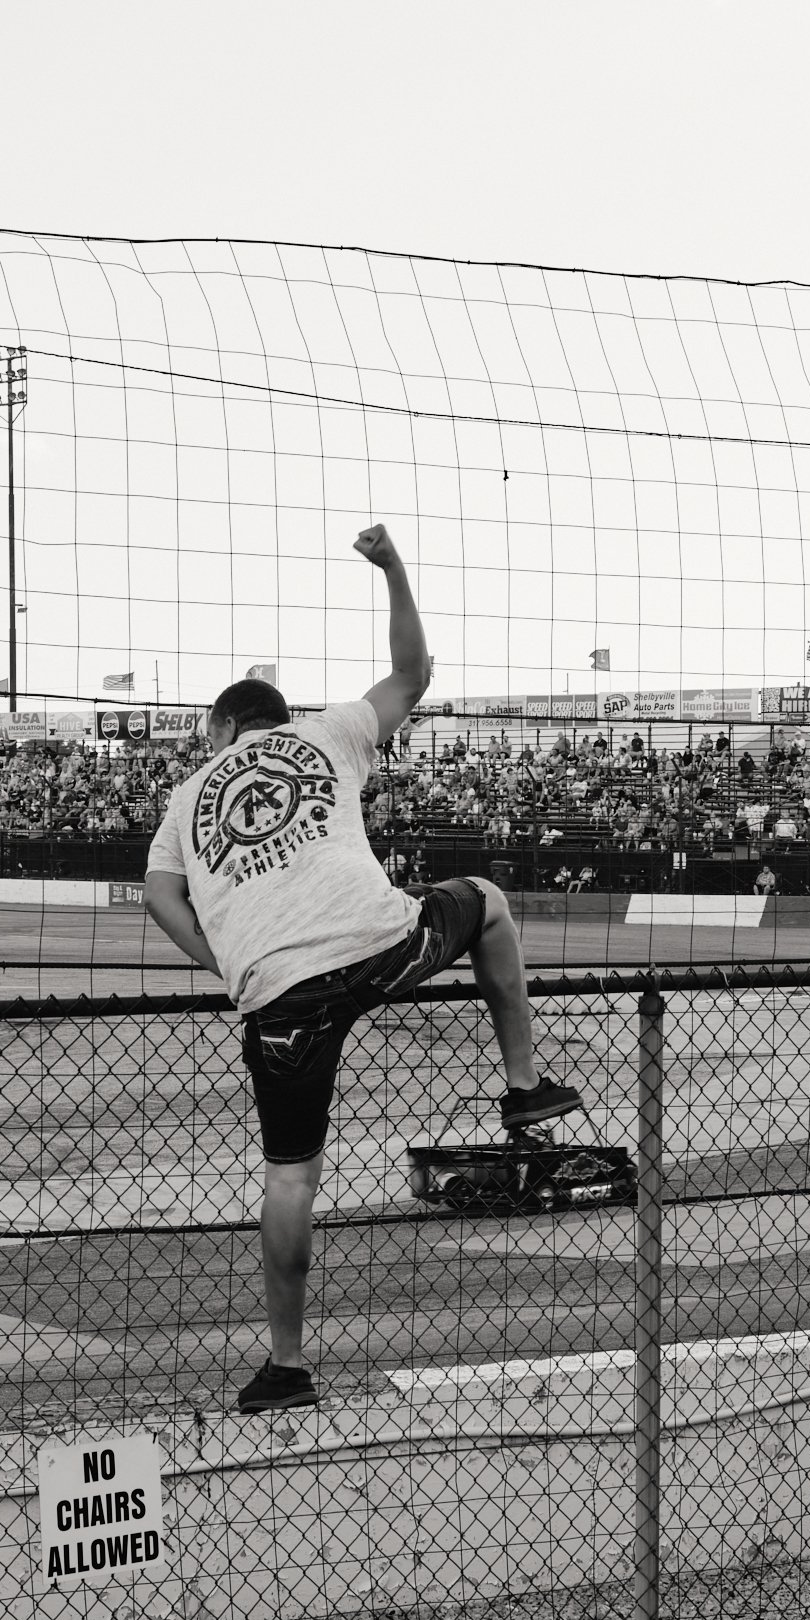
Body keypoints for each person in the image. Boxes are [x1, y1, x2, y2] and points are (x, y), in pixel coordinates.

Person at [144, 523, 581, 1414]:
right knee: (488, 900)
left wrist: (228, 961)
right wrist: (392, 567)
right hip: (379, 940)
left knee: (291, 1176)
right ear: (278, 715)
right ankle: (524, 1085)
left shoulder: (189, 796)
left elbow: (159, 896)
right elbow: (415, 674)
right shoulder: (329, 730)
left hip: (275, 992)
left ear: (226, 724)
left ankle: (287, 1364)